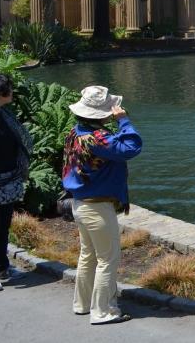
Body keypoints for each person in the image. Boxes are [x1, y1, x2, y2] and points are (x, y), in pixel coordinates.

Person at [62, 86, 142, 324]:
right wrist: (124, 120)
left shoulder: (76, 132)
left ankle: (83, 303)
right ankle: (103, 311)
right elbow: (131, 147)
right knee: (108, 258)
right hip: (97, 207)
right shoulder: (98, 139)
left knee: (89, 255)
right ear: (102, 113)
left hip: (80, 203)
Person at [0, 73, 32, 293]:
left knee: (3, 225)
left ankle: (2, 266)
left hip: (8, 179)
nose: (12, 92)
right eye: (9, 89)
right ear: (1, 93)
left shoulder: (0, 112)